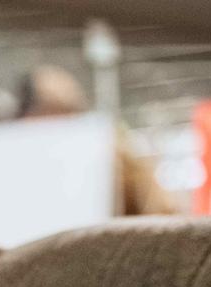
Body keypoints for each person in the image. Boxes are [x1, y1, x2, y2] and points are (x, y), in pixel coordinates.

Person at [16, 65, 176, 215]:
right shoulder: (18, 163)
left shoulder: (109, 149)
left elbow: (157, 206)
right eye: (47, 111)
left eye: (67, 113)